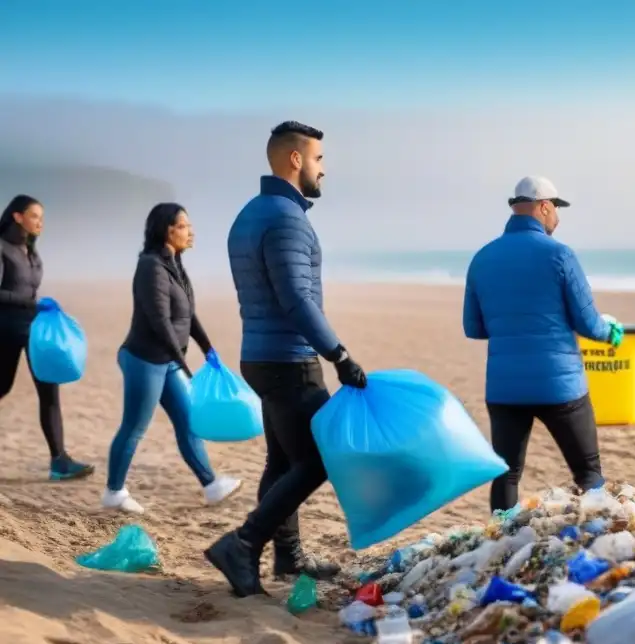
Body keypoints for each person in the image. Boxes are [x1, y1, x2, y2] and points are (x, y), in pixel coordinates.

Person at [205, 121, 367, 597]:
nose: (323, 169)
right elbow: (297, 299)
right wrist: (338, 354)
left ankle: (287, 555)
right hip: (288, 358)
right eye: (318, 159)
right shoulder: (286, 219)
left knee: (282, 461)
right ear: (295, 160)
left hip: (259, 353)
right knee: (319, 459)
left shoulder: (251, 213)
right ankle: (244, 543)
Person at [463, 176, 619, 514]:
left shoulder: (482, 258)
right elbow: (590, 324)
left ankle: (497, 547)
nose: (558, 219)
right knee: (588, 472)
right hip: (559, 386)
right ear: (544, 207)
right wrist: (612, 332)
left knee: (506, 475)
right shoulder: (560, 255)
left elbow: (473, 328)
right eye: (557, 210)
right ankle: (599, 540)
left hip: (505, 389)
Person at [101, 203, 241, 513]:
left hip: (167, 360)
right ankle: (114, 492)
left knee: (189, 421)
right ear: (168, 230)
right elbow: (159, 320)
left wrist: (207, 348)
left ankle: (211, 485)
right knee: (134, 427)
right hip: (144, 359)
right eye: (185, 226)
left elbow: (187, 314)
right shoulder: (151, 266)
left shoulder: (174, 265)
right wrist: (183, 362)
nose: (192, 232)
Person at [0, 195, 93, 480]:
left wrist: (42, 304)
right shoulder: (2, 248)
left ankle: (59, 461)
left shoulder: (30, 250)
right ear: (17, 217)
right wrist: (32, 303)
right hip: (5, 329)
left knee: (49, 391)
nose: (40, 222)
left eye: (42, 217)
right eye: (35, 216)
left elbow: (27, 289)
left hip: (33, 330)